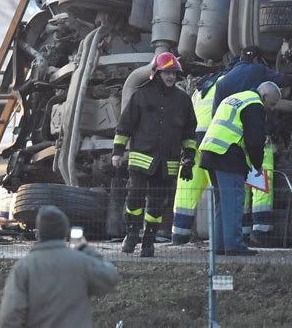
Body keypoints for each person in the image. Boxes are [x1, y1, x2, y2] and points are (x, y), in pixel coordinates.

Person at [112, 52, 197, 257]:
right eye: (166, 73)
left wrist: (189, 158)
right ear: (156, 73)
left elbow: (188, 134)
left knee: (157, 205)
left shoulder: (183, 100)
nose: (170, 77)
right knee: (135, 199)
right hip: (141, 159)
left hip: (167, 162)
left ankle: (148, 241)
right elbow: (124, 127)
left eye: (173, 73)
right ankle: (132, 234)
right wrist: (117, 153)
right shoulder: (141, 95)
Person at [0, 206, 119, 328]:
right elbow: (110, 278)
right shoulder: (81, 262)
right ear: (65, 231)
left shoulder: (23, 267)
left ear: (38, 233)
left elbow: (10, 316)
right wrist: (85, 248)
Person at [199, 81, 282, 256]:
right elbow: (254, 139)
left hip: (210, 152)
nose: (271, 108)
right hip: (227, 155)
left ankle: (219, 245)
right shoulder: (254, 104)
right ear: (265, 96)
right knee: (234, 201)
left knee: (222, 202)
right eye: (272, 104)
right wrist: (257, 165)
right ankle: (234, 245)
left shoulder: (236, 98)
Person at [171, 57, 239, 245]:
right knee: (223, 190)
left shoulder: (202, 85)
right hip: (215, 139)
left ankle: (179, 235)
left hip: (193, 140)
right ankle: (233, 237)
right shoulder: (232, 83)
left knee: (187, 187)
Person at [212, 46, 292, 116]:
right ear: (256, 59)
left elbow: (215, 114)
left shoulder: (221, 82)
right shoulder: (258, 69)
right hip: (249, 120)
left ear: (241, 58)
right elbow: (282, 80)